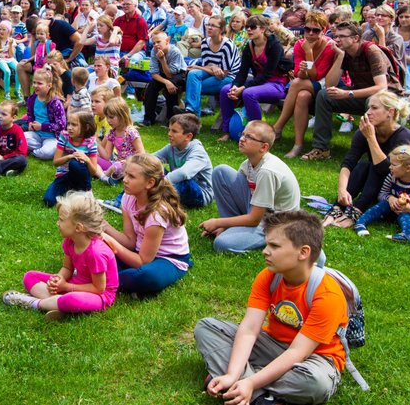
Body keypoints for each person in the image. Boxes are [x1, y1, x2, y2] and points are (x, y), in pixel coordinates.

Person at [195, 210, 348, 405]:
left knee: (316, 385)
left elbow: (297, 352)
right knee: (206, 327)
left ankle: (243, 385)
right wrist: (233, 374)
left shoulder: (328, 295)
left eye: (274, 246)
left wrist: (251, 382)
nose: (265, 251)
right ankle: (249, 389)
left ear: (304, 252)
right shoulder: (269, 276)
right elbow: (250, 329)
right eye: (267, 244)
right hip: (273, 345)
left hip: (314, 358)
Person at [2, 191, 118, 321]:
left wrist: (66, 287)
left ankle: (33, 303)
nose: (58, 223)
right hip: (75, 283)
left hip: (99, 296)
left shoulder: (96, 253)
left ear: (78, 228)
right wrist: (58, 279)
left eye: (61, 220)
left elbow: (98, 288)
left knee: (71, 300)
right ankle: (56, 304)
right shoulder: (70, 241)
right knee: (30, 277)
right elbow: (67, 268)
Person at [301, 21, 402, 162]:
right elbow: (330, 84)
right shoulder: (346, 53)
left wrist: (348, 94)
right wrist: (340, 56)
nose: (337, 40)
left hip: (387, 97)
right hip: (362, 93)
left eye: (342, 36)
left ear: (355, 38)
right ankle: (321, 148)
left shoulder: (371, 51)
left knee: (372, 102)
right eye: (336, 36)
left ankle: (375, 149)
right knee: (324, 95)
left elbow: (381, 87)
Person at [201, 121, 300, 254]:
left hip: (276, 223)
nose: (242, 139)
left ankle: (271, 240)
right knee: (220, 171)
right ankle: (232, 228)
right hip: (259, 212)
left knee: (221, 244)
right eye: (243, 134)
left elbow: (254, 219)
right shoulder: (248, 163)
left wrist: (218, 222)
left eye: (249, 137)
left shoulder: (267, 171)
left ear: (264, 147)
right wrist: (224, 224)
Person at [99, 154, 192, 296]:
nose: (124, 180)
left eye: (131, 176)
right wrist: (103, 227)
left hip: (168, 259)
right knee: (99, 252)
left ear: (149, 183)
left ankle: (105, 279)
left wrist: (109, 240)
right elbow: (130, 242)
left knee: (146, 276)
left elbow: (142, 261)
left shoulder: (157, 214)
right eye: (125, 174)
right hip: (140, 252)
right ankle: (109, 278)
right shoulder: (127, 198)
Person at [323, 92, 410, 227]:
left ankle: (358, 209)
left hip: (396, 189)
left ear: (390, 112)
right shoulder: (364, 131)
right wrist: (342, 190)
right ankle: (338, 207)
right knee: (362, 165)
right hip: (374, 182)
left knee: (374, 167)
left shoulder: (403, 137)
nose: (368, 112)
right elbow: (348, 163)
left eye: (374, 108)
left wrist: (371, 138)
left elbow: (389, 171)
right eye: (368, 108)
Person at [273, 13, 335, 158]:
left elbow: (316, 76)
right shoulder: (299, 44)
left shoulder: (329, 46)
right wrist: (302, 71)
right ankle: (298, 145)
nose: (311, 33)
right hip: (304, 85)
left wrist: (309, 53)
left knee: (296, 84)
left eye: (316, 30)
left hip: (325, 85)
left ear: (324, 30)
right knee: (302, 96)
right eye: (307, 29)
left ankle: (277, 127)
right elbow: (300, 75)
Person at [218, 16, 288, 142]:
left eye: (253, 27)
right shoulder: (249, 47)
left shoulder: (274, 46)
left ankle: (258, 136)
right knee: (225, 90)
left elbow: (267, 74)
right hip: (258, 83)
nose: (249, 30)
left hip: (276, 83)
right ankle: (227, 131)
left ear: (262, 29)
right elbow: (242, 72)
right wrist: (235, 86)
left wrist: (243, 88)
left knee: (249, 93)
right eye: (247, 27)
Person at [353, 145, 410, 242]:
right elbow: (382, 194)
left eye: (393, 165)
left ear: (408, 168)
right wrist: (390, 198)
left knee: (405, 215)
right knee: (383, 204)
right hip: (393, 209)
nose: (390, 167)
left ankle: (408, 235)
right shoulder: (391, 177)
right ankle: (360, 222)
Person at [152, 112, 213, 209]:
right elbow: (151, 159)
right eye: (169, 130)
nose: (169, 134)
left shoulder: (198, 152)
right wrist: (133, 162)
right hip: (175, 183)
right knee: (152, 168)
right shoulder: (171, 147)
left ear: (188, 136)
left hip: (200, 193)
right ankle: (122, 201)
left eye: (174, 131)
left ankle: (156, 202)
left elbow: (184, 173)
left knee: (185, 182)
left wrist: (161, 183)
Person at [183, 15, 238, 115]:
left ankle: (192, 113)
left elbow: (223, 74)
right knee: (193, 74)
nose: (209, 27)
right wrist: (213, 67)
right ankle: (191, 110)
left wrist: (199, 67)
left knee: (194, 86)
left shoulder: (227, 45)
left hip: (229, 77)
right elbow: (207, 65)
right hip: (212, 72)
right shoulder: (205, 43)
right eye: (208, 25)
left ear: (221, 30)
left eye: (213, 25)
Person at [42, 111, 99, 207]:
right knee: (49, 201)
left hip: (81, 177)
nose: (69, 128)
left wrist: (87, 160)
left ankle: (86, 192)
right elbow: (55, 162)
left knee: (75, 163)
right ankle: (71, 191)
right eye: (68, 124)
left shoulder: (91, 143)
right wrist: (70, 156)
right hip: (64, 175)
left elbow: (93, 172)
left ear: (86, 127)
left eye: (74, 125)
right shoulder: (64, 136)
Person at [22, 68, 66, 160]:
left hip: (52, 137)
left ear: (49, 85)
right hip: (36, 135)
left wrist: (42, 127)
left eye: (39, 83)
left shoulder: (55, 102)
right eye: (34, 82)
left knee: (46, 152)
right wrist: (30, 122)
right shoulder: (32, 99)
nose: (35, 86)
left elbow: (61, 125)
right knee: (20, 138)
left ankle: (34, 151)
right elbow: (30, 114)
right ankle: (37, 148)